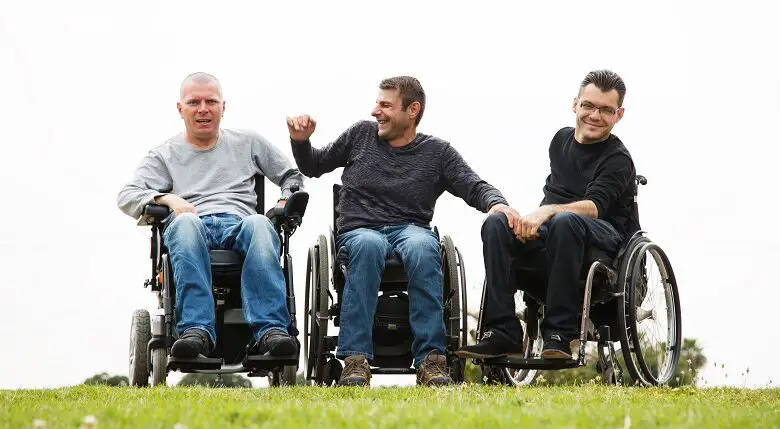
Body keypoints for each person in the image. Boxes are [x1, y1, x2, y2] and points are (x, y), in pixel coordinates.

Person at [286, 76, 521, 386]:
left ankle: (431, 361)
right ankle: (355, 361)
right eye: (376, 103)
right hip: (360, 229)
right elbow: (314, 165)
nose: (375, 112)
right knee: (367, 246)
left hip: (410, 229)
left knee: (424, 248)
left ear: (412, 110)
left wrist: (497, 204)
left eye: (385, 105)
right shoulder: (360, 135)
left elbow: (473, 185)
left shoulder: (436, 152)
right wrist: (301, 141)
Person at [117, 72, 304, 359]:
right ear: (181, 109)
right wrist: (168, 198)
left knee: (261, 223)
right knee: (186, 223)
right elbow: (127, 195)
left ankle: (271, 331)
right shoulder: (164, 155)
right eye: (194, 102)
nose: (203, 108)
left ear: (223, 107)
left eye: (211, 101)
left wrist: (284, 200)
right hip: (192, 225)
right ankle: (196, 330)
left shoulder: (248, 141)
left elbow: (291, 176)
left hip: (240, 224)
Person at [457, 69, 637, 361]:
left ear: (619, 114)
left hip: (604, 237)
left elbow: (594, 207)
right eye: (588, 106)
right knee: (496, 223)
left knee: (565, 222)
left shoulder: (618, 159)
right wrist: (525, 224)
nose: (595, 115)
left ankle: (559, 334)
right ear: (575, 104)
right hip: (554, 232)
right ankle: (502, 331)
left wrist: (547, 211)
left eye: (606, 110)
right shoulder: (560, 140)